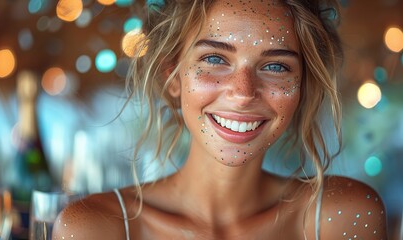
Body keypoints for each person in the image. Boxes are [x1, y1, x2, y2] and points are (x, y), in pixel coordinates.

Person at [53, 0, 388, 239]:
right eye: (214, 58)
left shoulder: (342, 217)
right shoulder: (96, 228)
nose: (243, 92)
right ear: (174, 78)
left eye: (275, 66)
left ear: (302, 85)